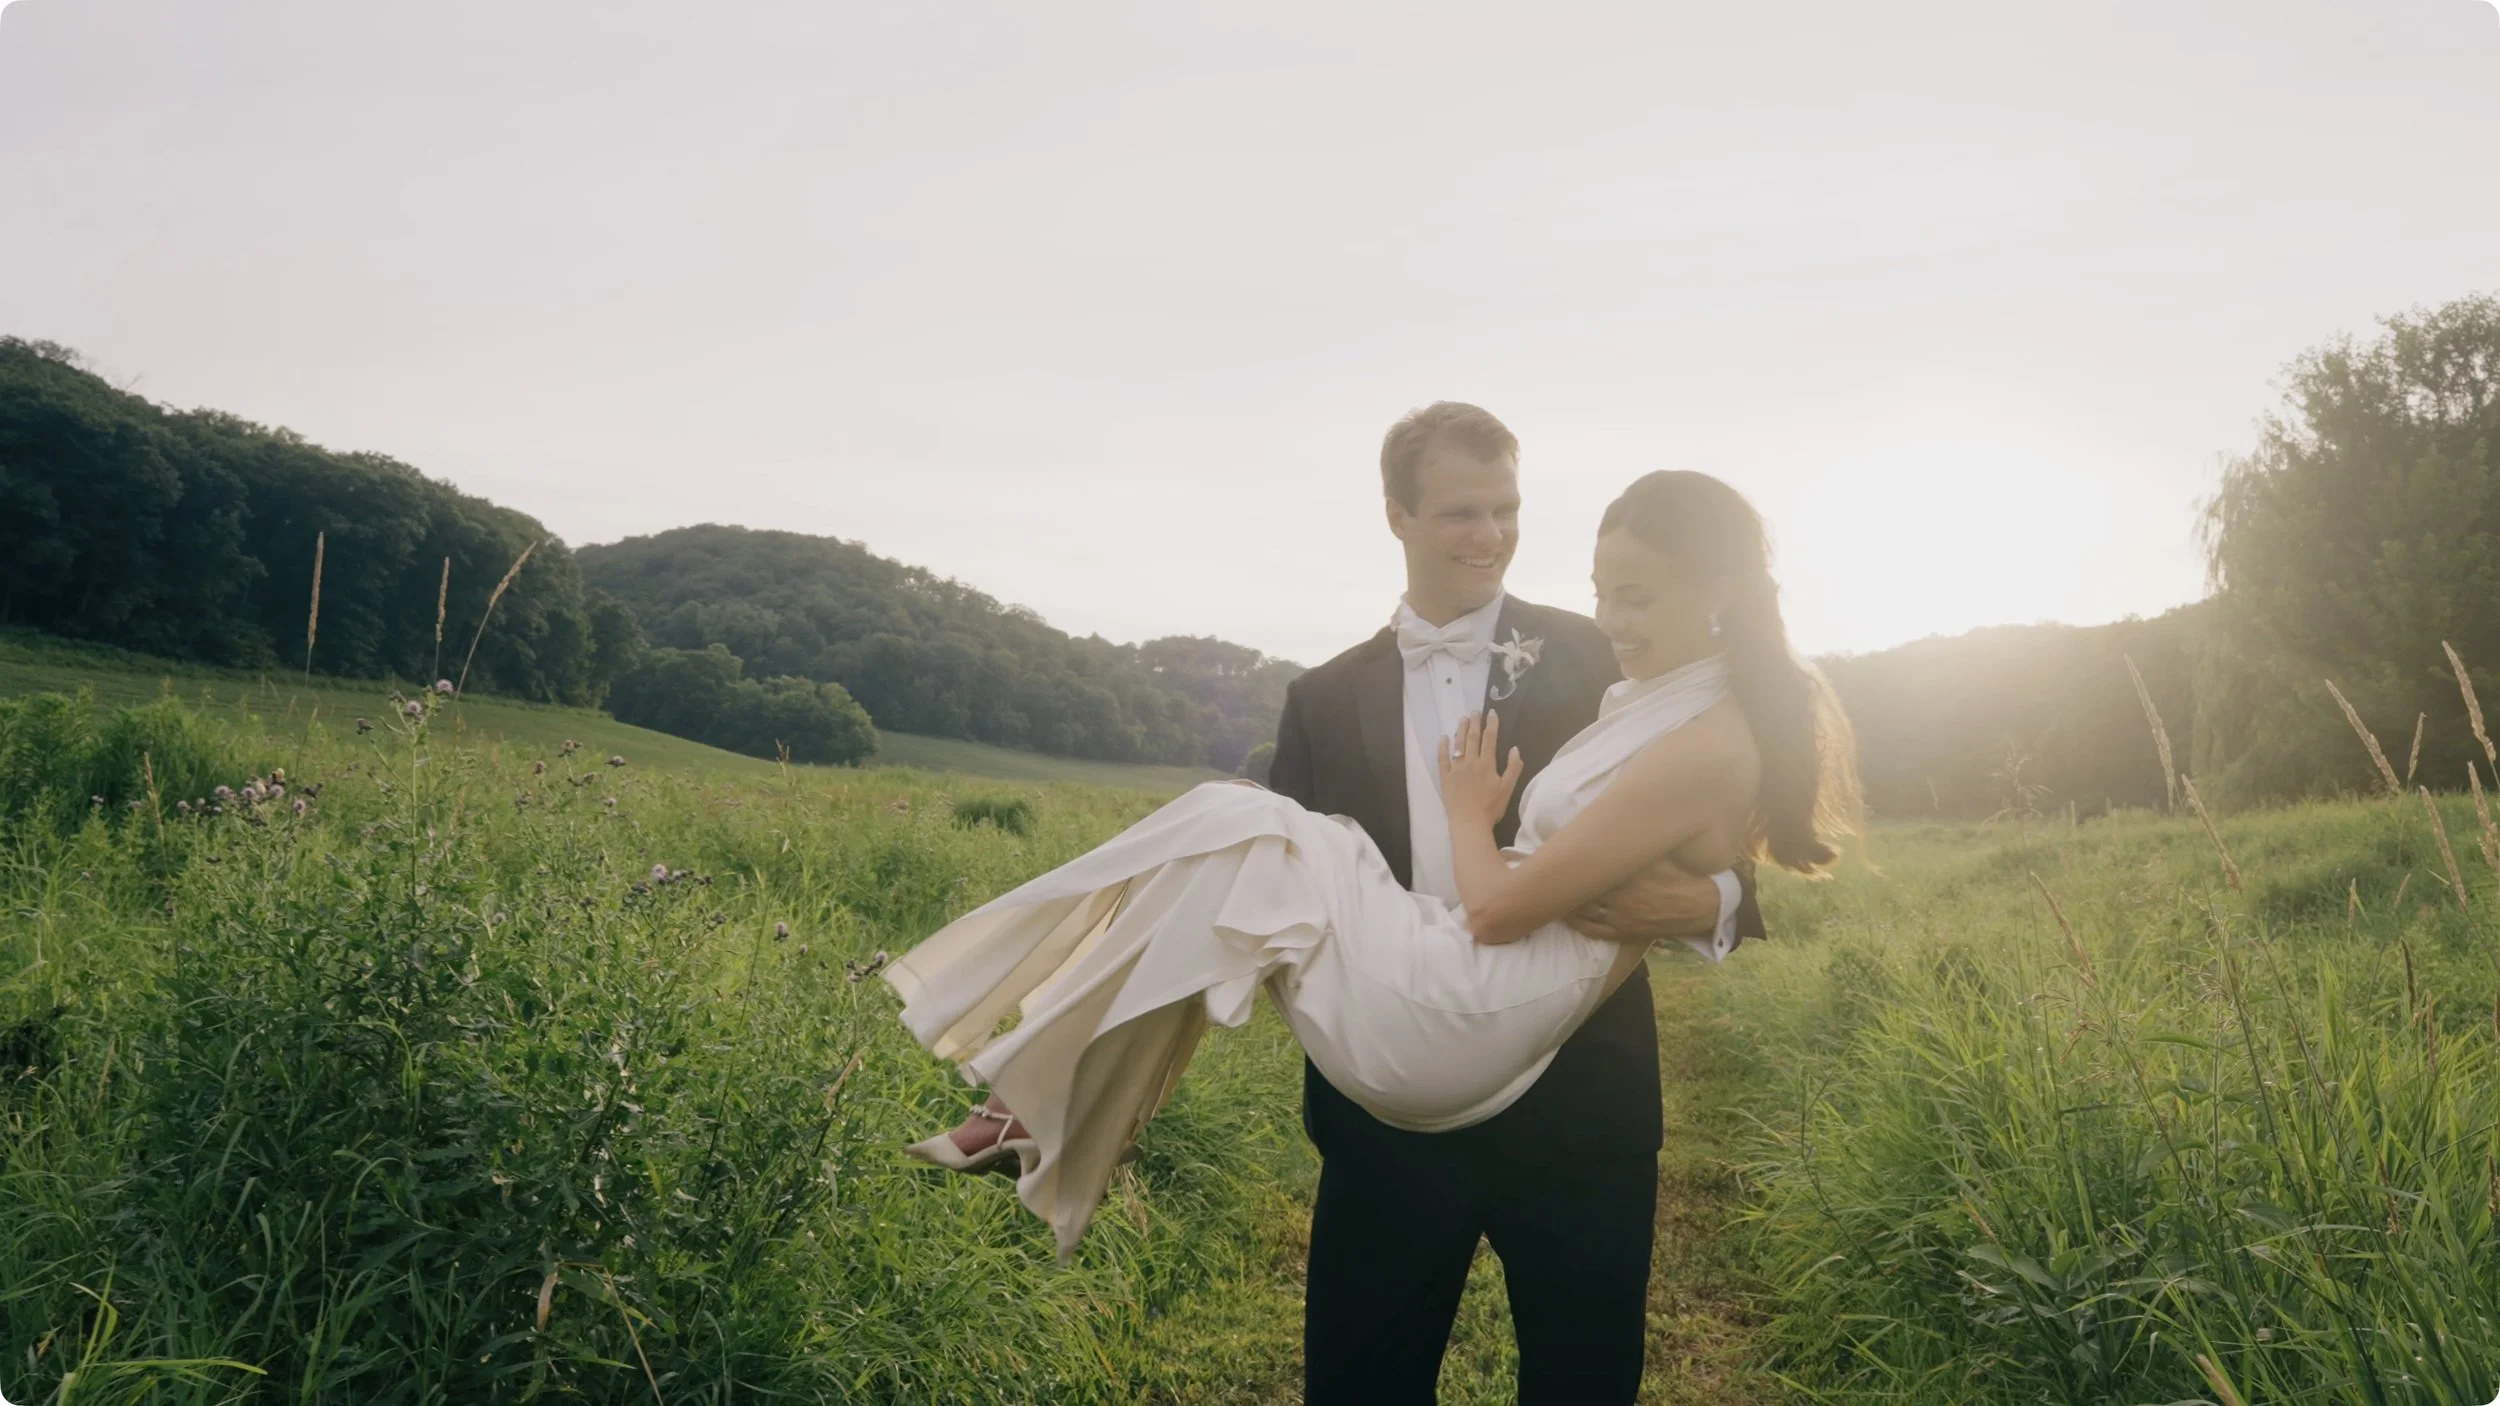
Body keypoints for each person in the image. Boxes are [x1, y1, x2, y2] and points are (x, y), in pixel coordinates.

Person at [884, 444, 1854, 1403]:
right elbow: (1248, 909)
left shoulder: (1612, 656)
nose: (1492, 534)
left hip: (1576, 1105)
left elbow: (1725, 833)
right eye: (1462, 512)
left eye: (1506, 508)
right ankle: (1043, 1101)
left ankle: (1014, 1082)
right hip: (1396, 1092)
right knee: (1360, 1385)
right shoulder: (1323, 693)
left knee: (1581, 1383)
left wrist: (1712, 901)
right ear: (1398, 515)